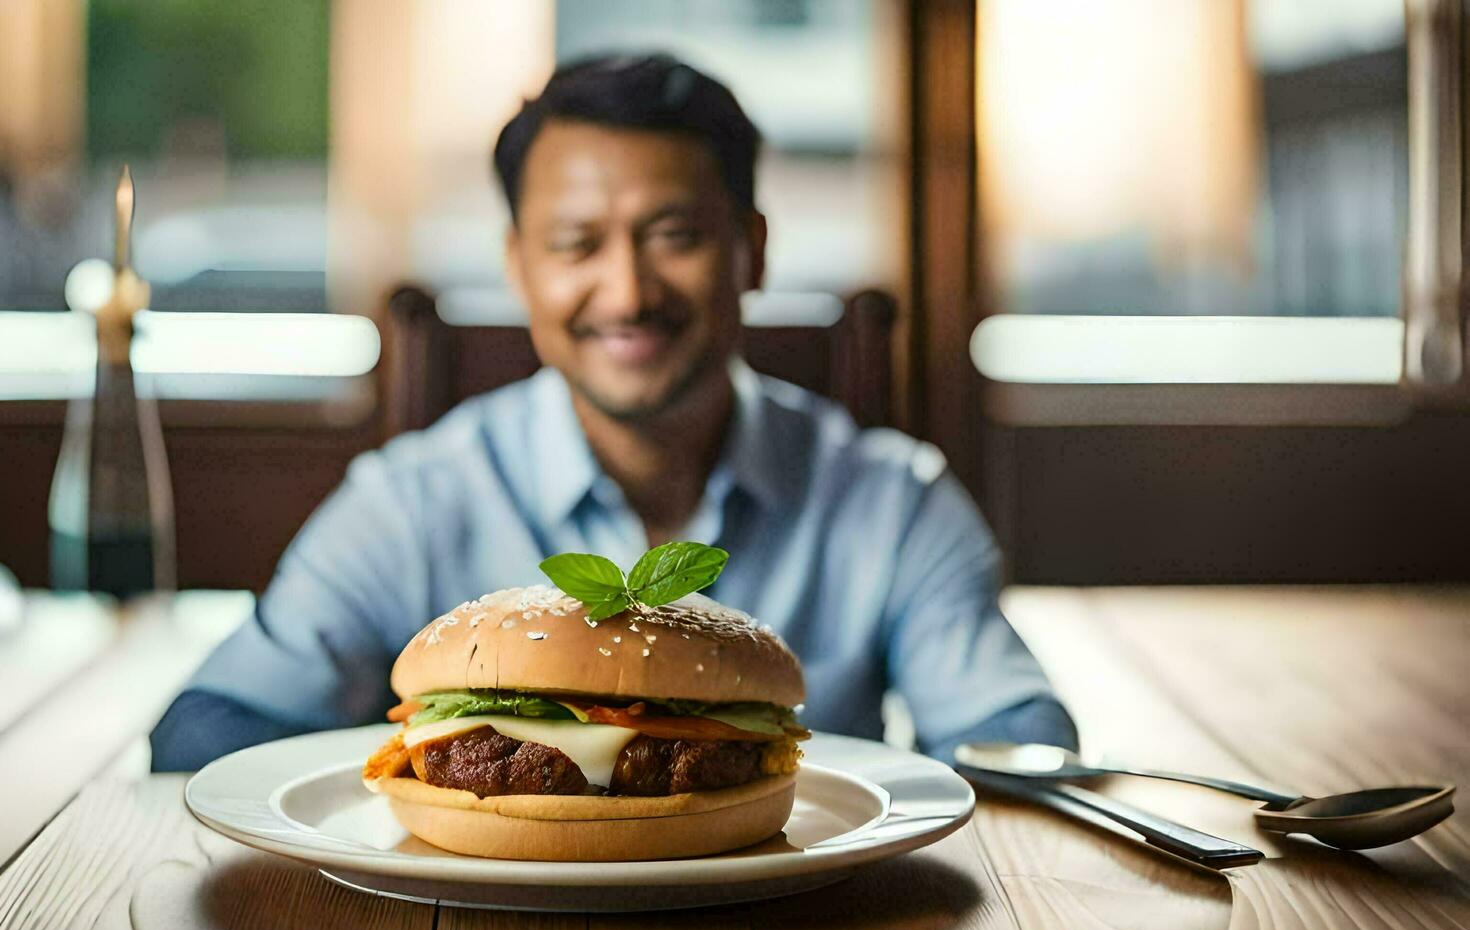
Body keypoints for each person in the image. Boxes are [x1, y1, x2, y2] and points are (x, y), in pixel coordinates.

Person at [150, 53, 1076, 771]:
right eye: (576, 244)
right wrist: (461, 758)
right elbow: (205, 729)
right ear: (518, 264)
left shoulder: (891, 498)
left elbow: (1020, 737)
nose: (627, 292)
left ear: (751, 250)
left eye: (673, 237)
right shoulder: (414, 498)